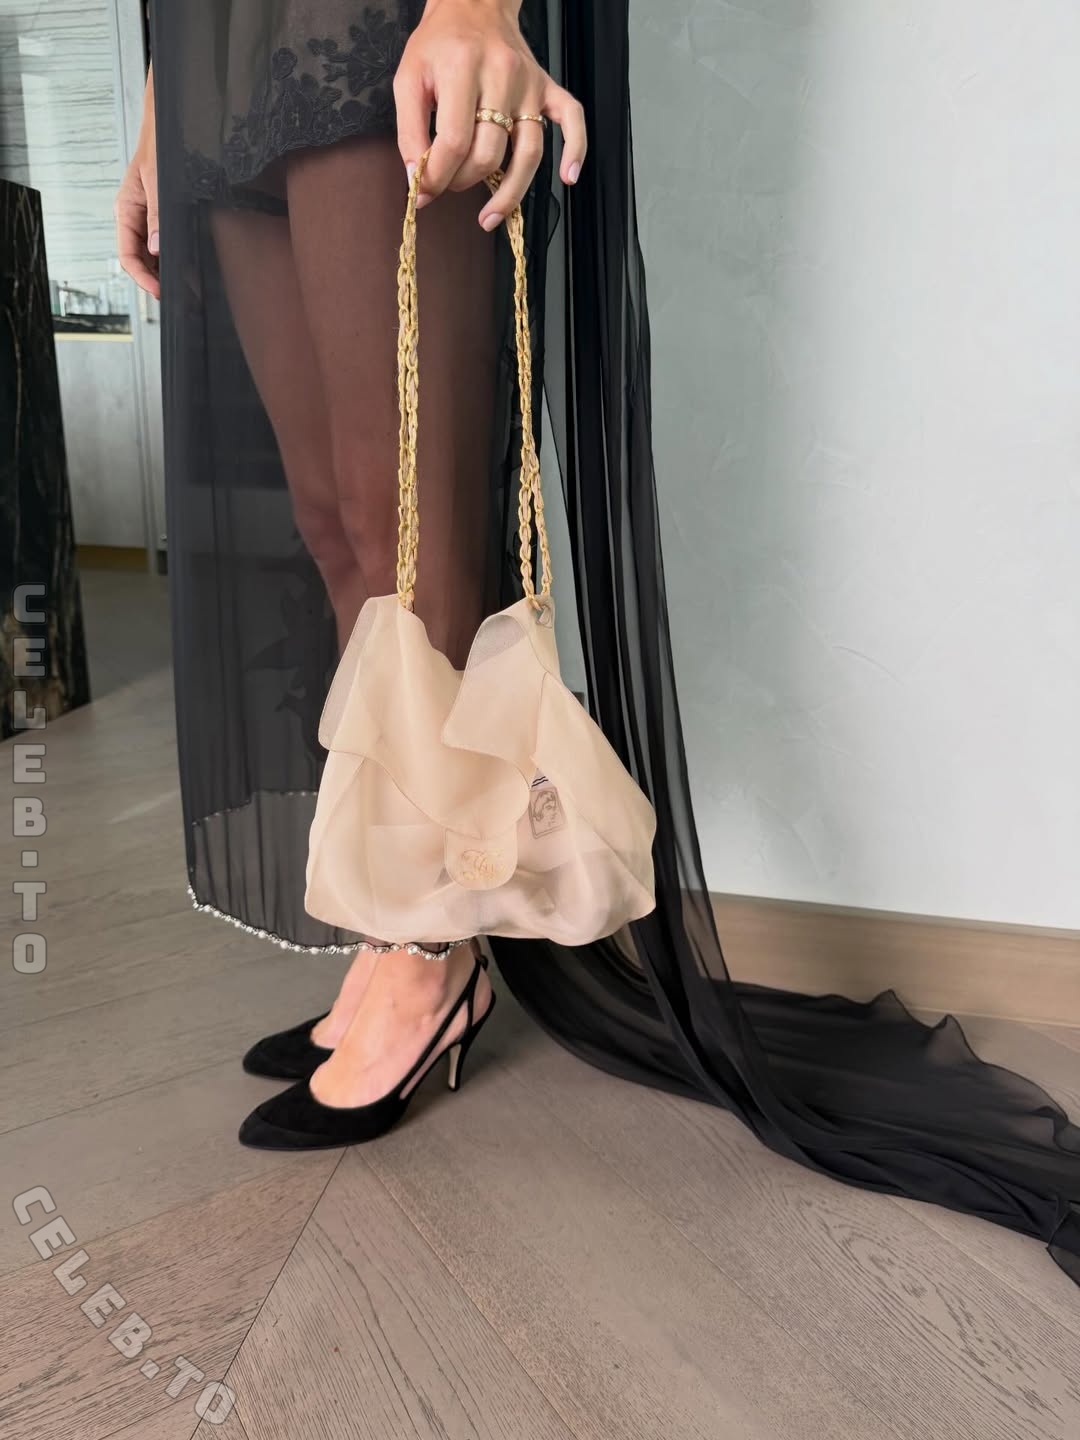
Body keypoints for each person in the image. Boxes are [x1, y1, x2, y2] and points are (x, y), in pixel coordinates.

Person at [118, 1, 1080, 1277]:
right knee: (334, 527)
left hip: (356, 22)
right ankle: (402, 921)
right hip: (215, 43)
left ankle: (430, 951)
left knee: (406, 523)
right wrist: (160, 101)